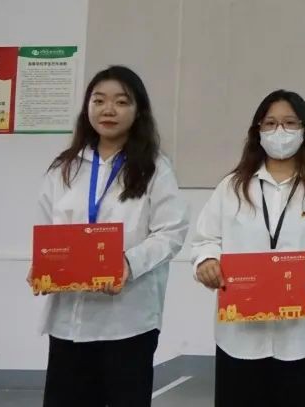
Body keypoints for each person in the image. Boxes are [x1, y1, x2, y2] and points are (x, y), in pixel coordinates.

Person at [192, 90, 305, 407]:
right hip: (240, 336)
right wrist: (206, 261)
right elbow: (206, 239)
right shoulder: (232, 187)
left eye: (289, 123)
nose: (279, 131)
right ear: (257, 131)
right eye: (270, 123)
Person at [31, 66, 190, 407]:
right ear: (87, 107)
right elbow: (47, 230)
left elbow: (171, 232)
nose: (108, 109)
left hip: (128, 320)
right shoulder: (64, 168)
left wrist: (128, 264)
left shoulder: (154, 168)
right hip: (69, 320)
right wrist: (43, 265)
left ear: (138, 111)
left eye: (121, 101)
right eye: (99, 100)